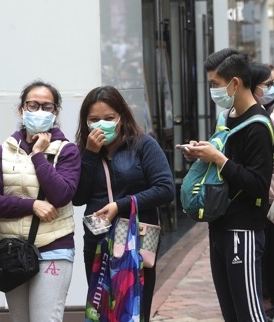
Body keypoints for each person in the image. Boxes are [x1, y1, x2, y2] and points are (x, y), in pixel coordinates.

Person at [177, 48, 274, 322]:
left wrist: (219, 159)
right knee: (231, 312)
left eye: (215, 84)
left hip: (243, 229)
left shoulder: (258, 125)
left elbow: (258, 183)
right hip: (220, 223)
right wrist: (202, 153)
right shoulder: (228, 117)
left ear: (235, 83)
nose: (212, 90)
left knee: (250, 314)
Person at [0, 80, 81, 322]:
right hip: (12, 251)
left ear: (55, 112)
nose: (39, 111)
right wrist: (31, 205)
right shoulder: (5, 150)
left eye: (47, 107)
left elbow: (61, 195)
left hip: (53, 247)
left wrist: (38, 156)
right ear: (21, 110)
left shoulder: (67, 151)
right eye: (33, 105)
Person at [72, 86, 175, 321]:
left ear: (121, 117)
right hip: (98, 240)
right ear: (86, 122)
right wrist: (89, 154)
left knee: (135, 306)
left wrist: (121, 205)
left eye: (108, 118)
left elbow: (165, 188)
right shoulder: (83, 151)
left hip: (137, 237)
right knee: (101, 308)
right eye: (94, 119)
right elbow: (78, 197)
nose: (101, 124)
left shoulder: (143, 145)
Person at [250, 62, 274, 322]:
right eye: (267, 83)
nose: (272, 88)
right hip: (261, 199)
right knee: (263, 259)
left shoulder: (273, 112)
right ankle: (266, 303)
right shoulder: (257, 117)